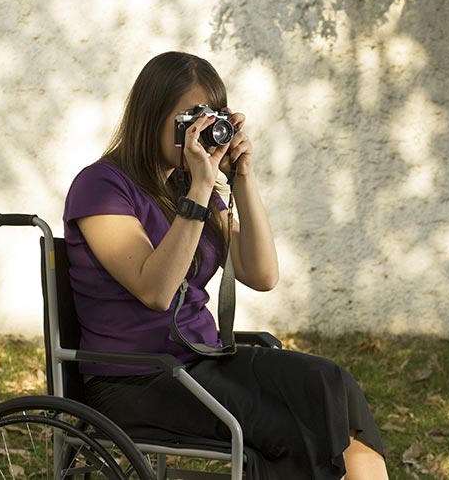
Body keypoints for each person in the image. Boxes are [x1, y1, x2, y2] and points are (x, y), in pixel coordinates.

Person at [63, 51, 388, 480]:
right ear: (151, 114)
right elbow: (155, 291)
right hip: (138, 380)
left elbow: (261, 274)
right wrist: (200, 186)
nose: (201, 134)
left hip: (200, 363)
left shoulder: (186, 187)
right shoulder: (102, 185)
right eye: (188, 120)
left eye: (209, 119)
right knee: (298, 425)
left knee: (329, 382)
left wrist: (242, 179)